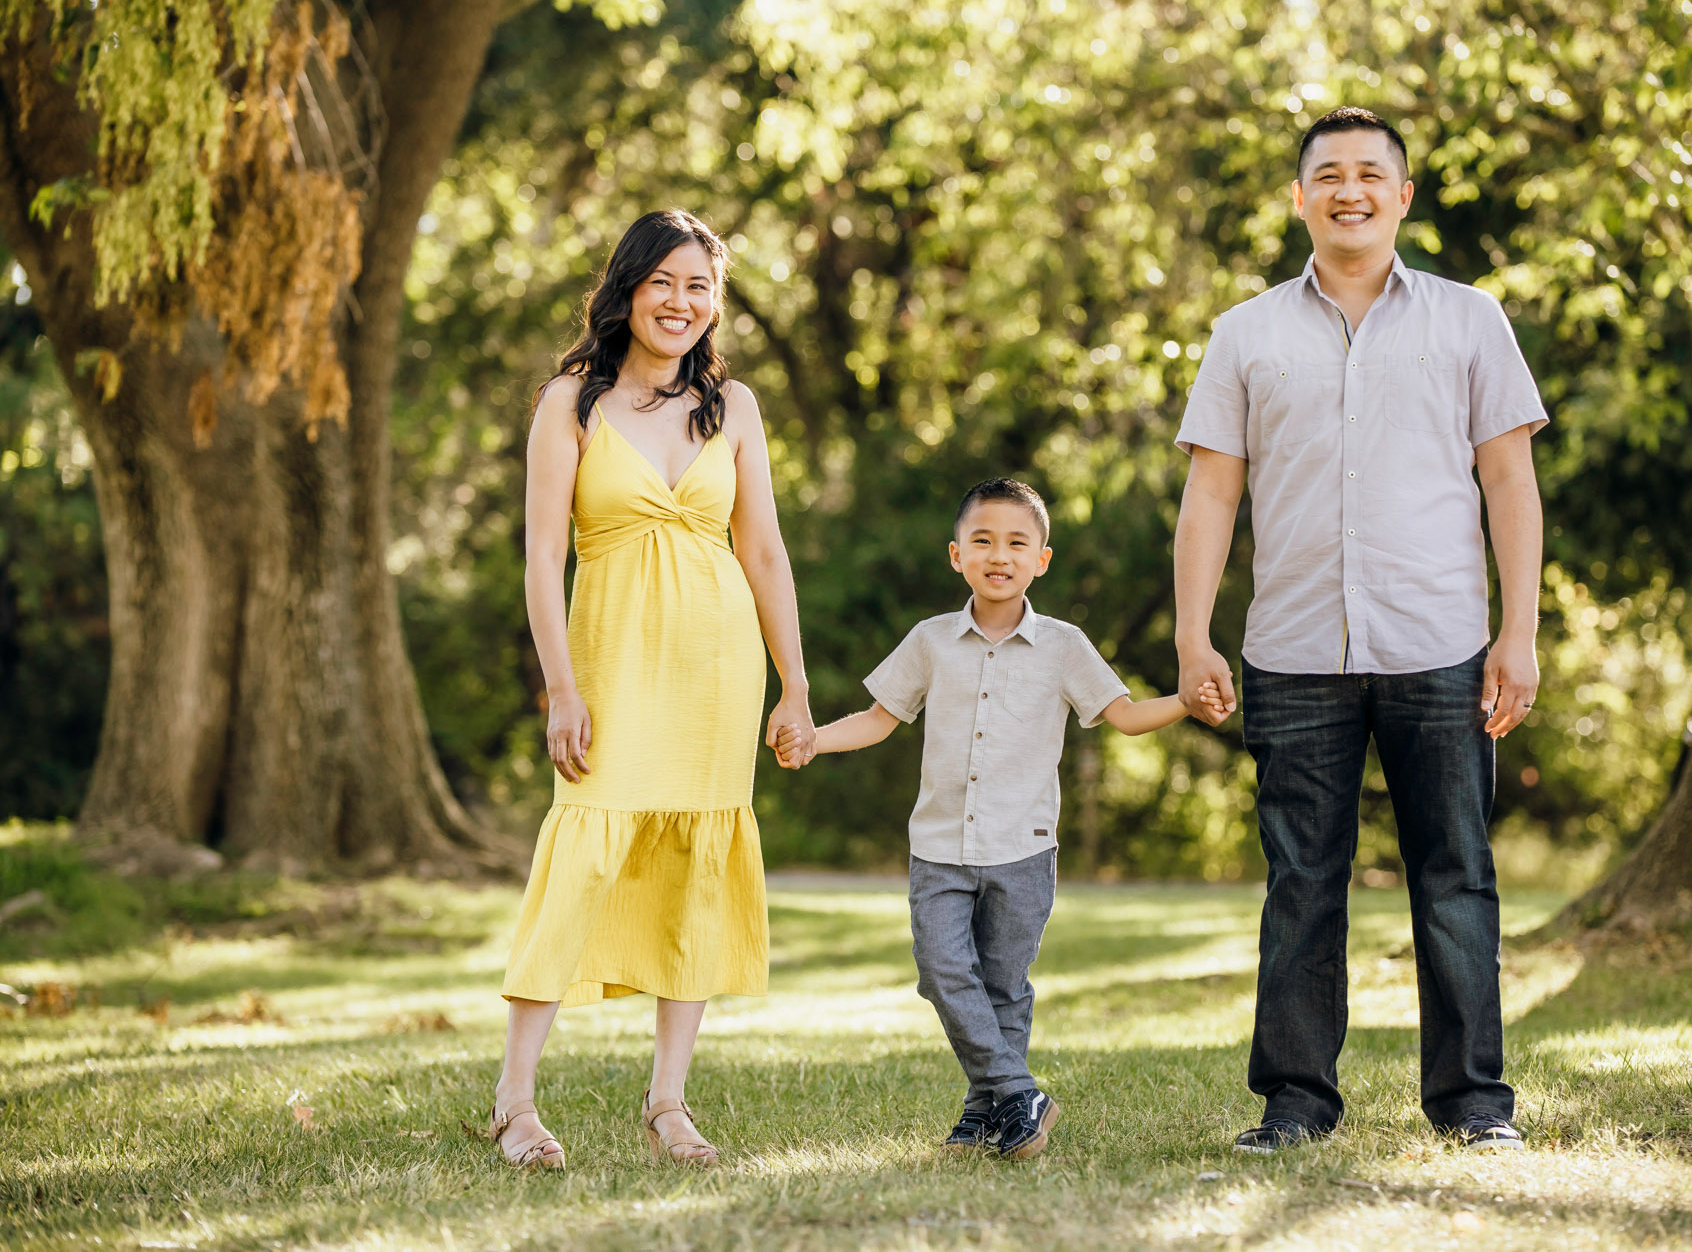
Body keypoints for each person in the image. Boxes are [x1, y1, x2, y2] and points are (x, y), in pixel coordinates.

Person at [1174, 107, 1548, 1154]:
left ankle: (1473, 1102)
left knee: (1454, 875)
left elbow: (1508, 480)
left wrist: (1515, 634)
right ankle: (1295, 1100)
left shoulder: (1469, 319)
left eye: (1368, 174)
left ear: (1400, 196)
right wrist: (1191, 636)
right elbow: (1209, 496)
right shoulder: (1245, 331)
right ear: (1299, 199)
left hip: (1439, 645)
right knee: (1300, 883)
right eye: (1326, 174)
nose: (1348, 190)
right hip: (1291, 652)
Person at [487, 209, 816, 1171]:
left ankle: (669, 1100)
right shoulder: (572, 403)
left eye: (700, 287)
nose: (682, 302)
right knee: (581, 859)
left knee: (696, 872)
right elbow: (544, 556)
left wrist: (793, 683)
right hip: (612, 661)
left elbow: (764, 551)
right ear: (628, 289)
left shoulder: (734, 407)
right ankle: (516, 1101)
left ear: (716, 304)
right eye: (665, 282)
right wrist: (561, 686)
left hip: (717, 667)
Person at [777, 479, 1222, 1159]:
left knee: (1004, 985)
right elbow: (879, 718)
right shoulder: (930, 641)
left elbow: (1125, 716)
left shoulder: (1065, 646)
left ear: (1041, 559)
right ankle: (1020, 1092)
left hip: (1023, 849)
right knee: (941, 968)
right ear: (957, 555)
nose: (999, 554)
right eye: (982, 540)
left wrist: (1186, 702)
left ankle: (985, 1114)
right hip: (939, 846)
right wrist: (814, 736)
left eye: (1017, 542)